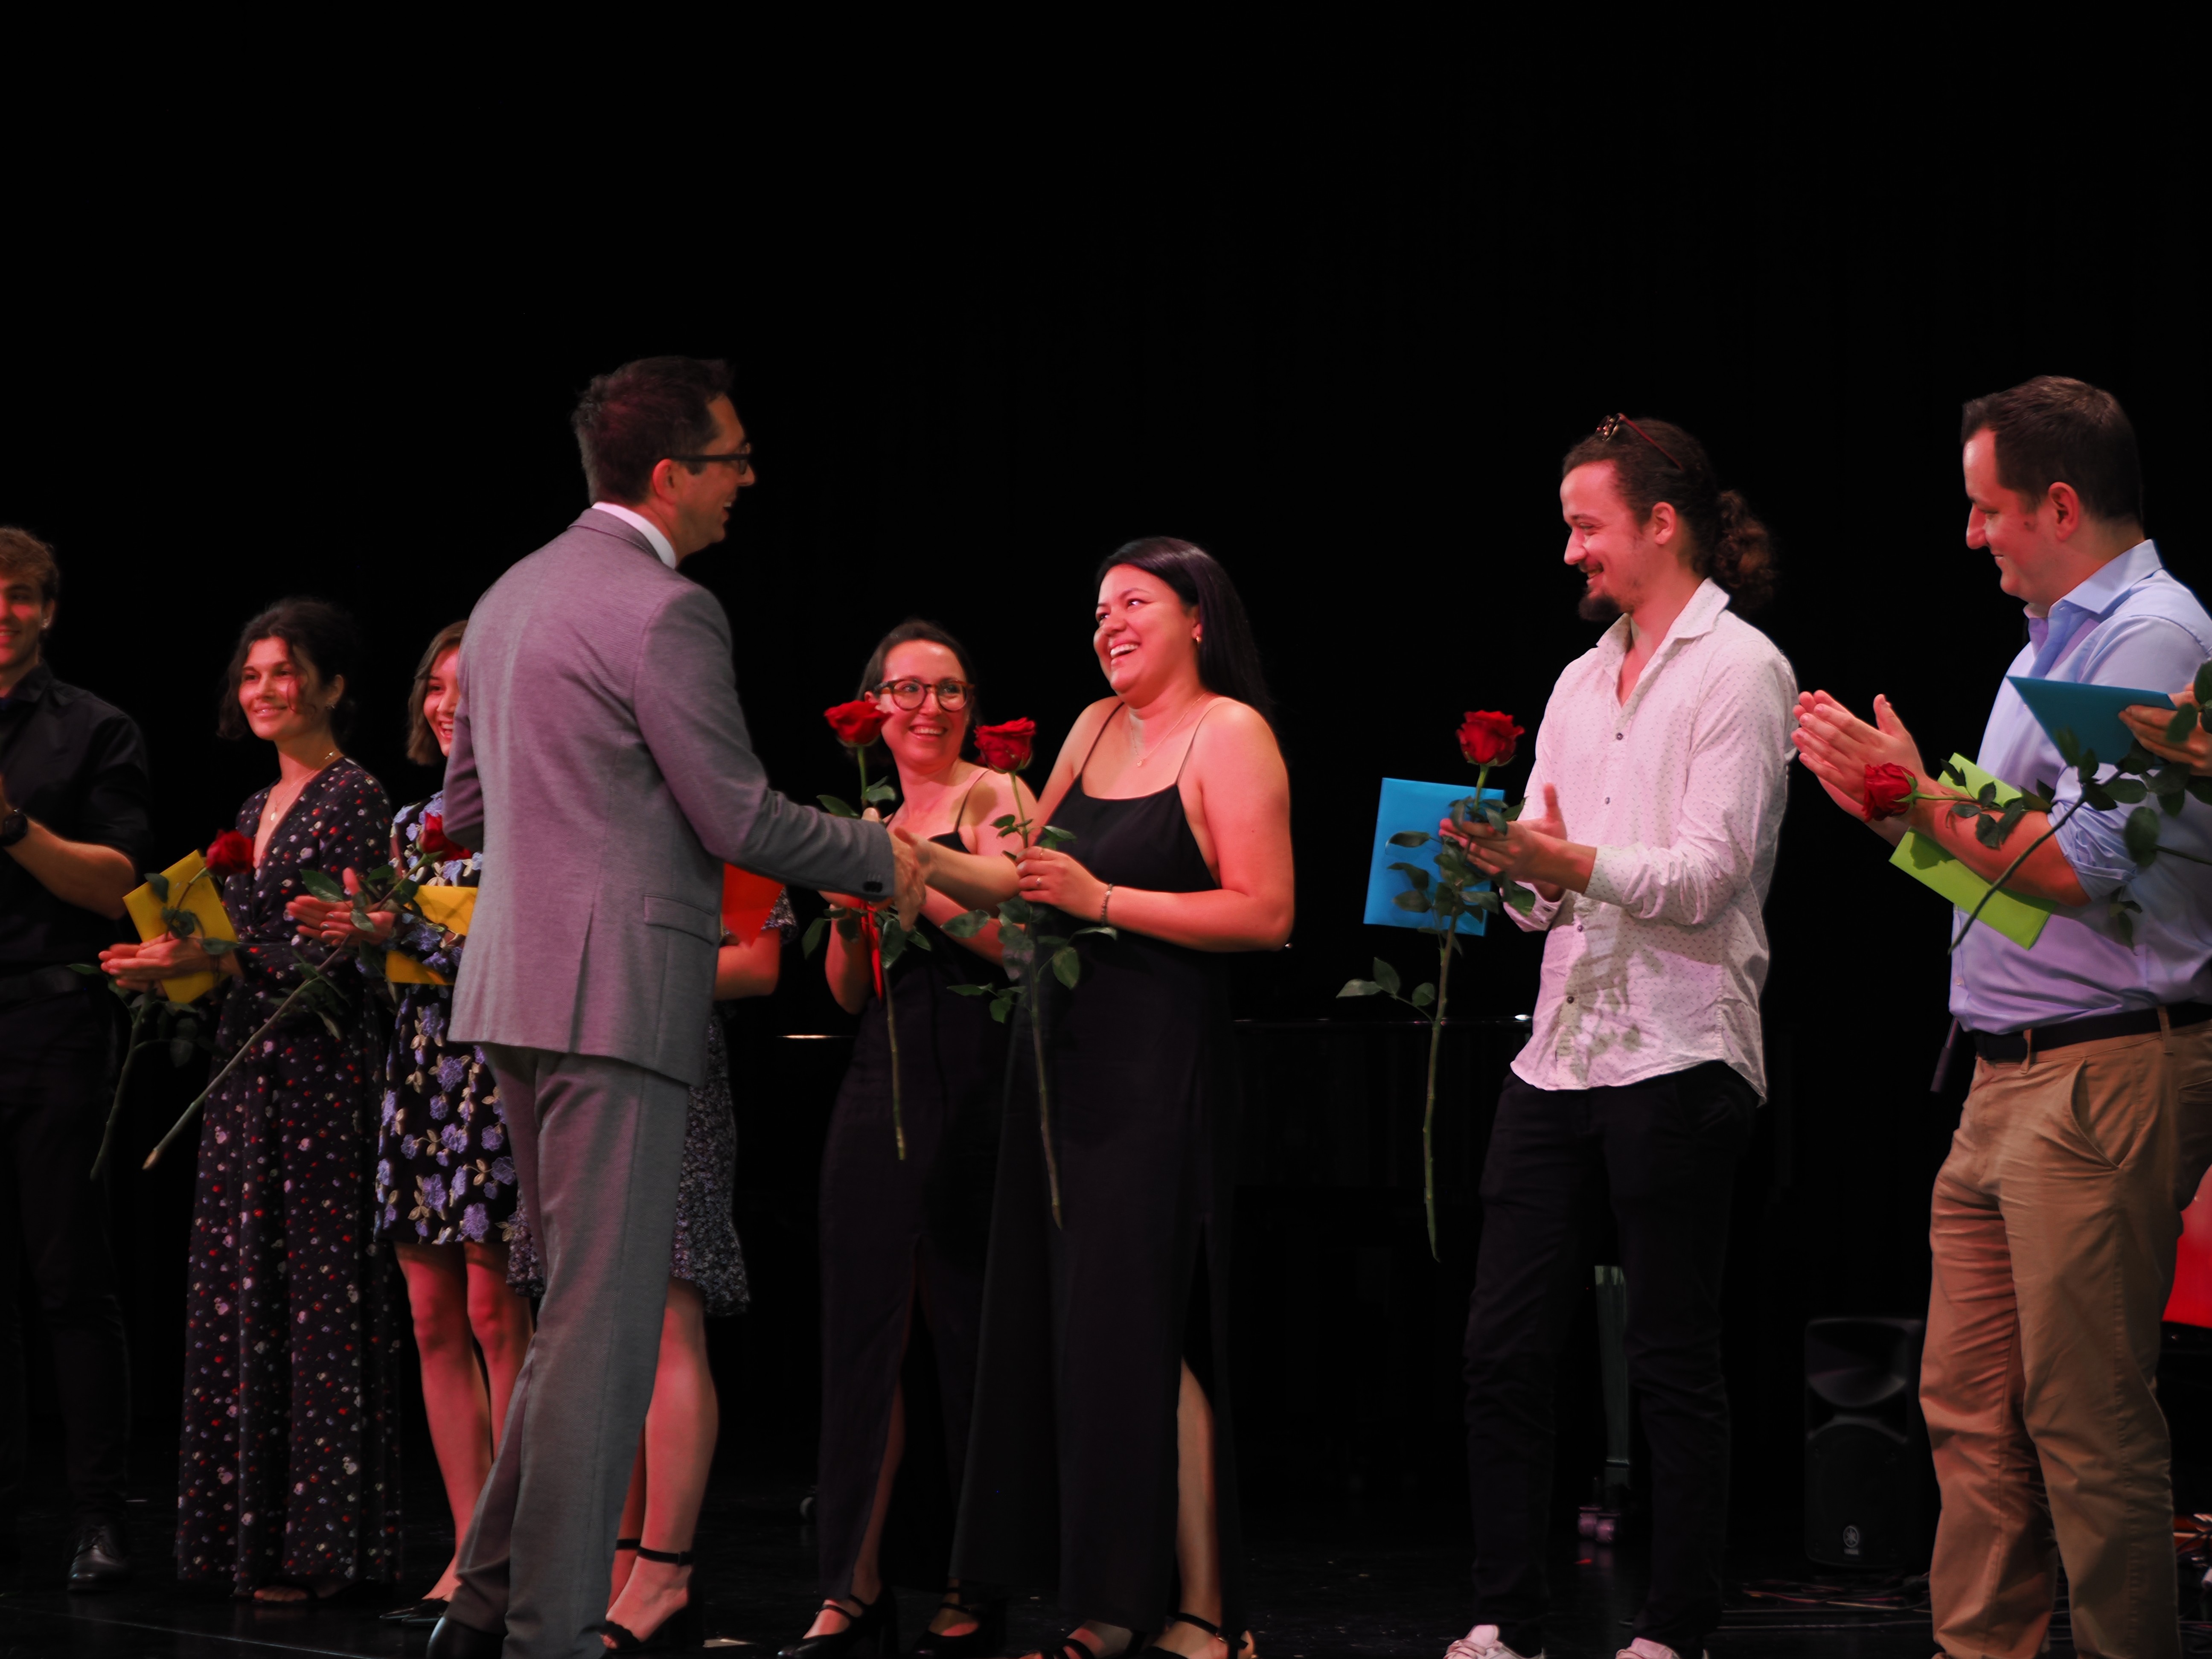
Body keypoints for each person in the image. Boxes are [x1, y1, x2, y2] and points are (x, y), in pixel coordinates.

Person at [428, 356, 928, 1659]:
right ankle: (547, 1633)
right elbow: (737, 816)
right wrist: (888, 857)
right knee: (601, 1333)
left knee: (571, 1318)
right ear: (669, 474)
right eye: (733, 459)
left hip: (513, 988)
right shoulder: (668, 611)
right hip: (617, 996)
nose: (747, 481)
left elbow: (463, 811)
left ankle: (481, 1607)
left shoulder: (507, 596)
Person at [1794, 376, 2212, 1659]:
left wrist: (1918, 795)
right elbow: (2012, 882)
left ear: (2061, 506)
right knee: (1972, 1414)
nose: (1971, 534)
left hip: (2098, 1074)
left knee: (2086, 1421)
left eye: (1988, 509)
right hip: (2003, 1075)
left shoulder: (2152, 638)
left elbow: (2077, 869)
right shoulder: (2047, 643)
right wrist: (1897, 813)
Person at [1444, 416, 1794, 1659]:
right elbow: (1548, 893)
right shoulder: (1579, 680)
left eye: (1587, 526)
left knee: (1670, 1355)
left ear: (1661, 523)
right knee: (1501, 1347)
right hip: (1561, 1048)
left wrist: (1564, 861)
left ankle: (1676, 1626)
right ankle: (1508, 1615)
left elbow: (1706, 876)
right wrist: (1512, 870)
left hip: (1681, 1047)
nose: (1571, 551)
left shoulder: (1739, 669)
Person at [927, 538, 1293, 1659]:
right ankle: (1121, 1600)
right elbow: (1029, 889)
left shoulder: (1230, 732)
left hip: (1154, 1067)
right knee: (1084, 1332)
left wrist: (1106, 898)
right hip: (1061, 1058)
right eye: (1098, 610)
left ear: (1196, 616)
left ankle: (1194, 1612)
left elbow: (1266, 912)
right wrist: (912, 866)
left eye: (1134, 602)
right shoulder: (1090, 728)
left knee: (1134, 1329)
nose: (1109, 624)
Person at [102, 597, 399, 1601]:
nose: (265, 689)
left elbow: (341, 956)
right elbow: (236, 947)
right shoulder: (252, 806)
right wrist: (167, 965)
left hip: (318, 1077)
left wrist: (219, 959)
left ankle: (321, 1551)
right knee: (248, 1293)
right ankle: (249, 1541)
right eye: (252, 673)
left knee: (314, 1302)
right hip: (247, 1073)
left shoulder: (356, 796)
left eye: (286, 671)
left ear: (333, 686)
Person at [780, 622, 1023, 1659]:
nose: (931, 707)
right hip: (879, 1078)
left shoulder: (996, 796)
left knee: (967, 1337)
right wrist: (852, 910)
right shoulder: (864, 819)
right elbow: (847, 994)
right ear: (873, 706)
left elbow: (1019, 946)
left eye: (951, 689)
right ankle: (853, 1586)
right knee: (861, 1340)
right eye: (909, 689)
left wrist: (920, 894)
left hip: (976, 1082)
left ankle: (978, 1584)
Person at [290, 620, 536, 1626]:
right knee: (432, 1319)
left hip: (495, 1077)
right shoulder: (409, 825)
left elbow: (516, 960)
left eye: (464, 688)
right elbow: (401, 973)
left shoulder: (535, 817)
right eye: (435, 689)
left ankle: (521, 1548)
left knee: (494, 1315)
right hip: (422, 1075)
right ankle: (469, 1553)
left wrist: (410, 934)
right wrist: (357, 937)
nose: (445, 706)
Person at [0, 528, 150, 1589]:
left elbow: (118, 888)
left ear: (47, 611)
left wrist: (11, 825)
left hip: (50, 1025)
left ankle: (98, 1517)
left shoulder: (95, 728)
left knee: (69, 1283)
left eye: (16, 596)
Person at [599, 884, 792, 1653]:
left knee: (666, 1317)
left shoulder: (723, 829)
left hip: (666, 1064)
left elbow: (757, 967)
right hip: (585, 1066)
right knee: (607, 1334)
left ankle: (665, 1571)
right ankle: (619, 1568)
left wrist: (609, 970)